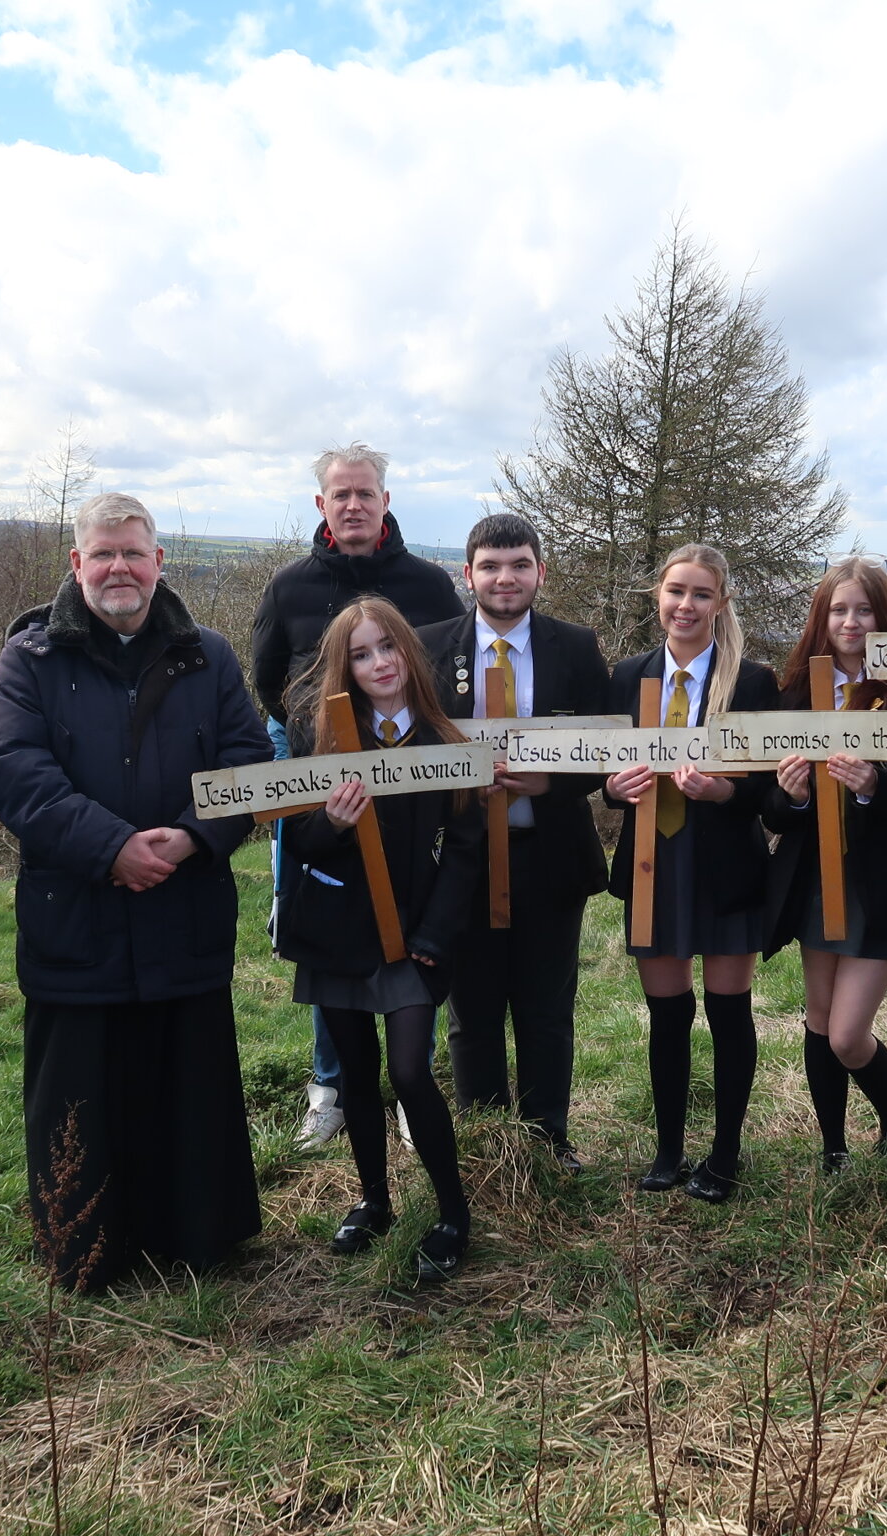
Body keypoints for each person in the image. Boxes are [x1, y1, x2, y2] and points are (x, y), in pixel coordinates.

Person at [0, 493, 272, 1293]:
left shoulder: (206, 654)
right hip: (76, 916)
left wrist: (190, 836)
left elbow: (247, 761)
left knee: (188, 1080)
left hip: (184, 910)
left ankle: (199, 1239)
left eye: (133, 553)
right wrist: (111, 849)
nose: (119, 568)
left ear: (159, 563)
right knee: (81, 1088)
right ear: (76, 564)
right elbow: (17, 775)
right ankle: (85, 1250)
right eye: (102, 554)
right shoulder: (31, 659)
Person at [250, 443, 464, 1148]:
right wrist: (313, 750)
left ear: (385, 500)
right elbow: (268, 677)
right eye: (340, 494)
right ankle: (332, 1086)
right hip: (320, 759)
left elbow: (447, 668)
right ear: (322, 505)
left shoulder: (429, 584)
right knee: (324, 910)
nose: (353, 504)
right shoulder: (289, 587)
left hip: (410, 756)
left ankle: (411, 1086)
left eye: (365, 493)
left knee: (406, 906)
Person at [277, 597, 485, 1282]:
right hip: (335, 932)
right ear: (347, 666)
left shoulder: (442, 741)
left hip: (414, 938)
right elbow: (298, 841)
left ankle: (453, 1214)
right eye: (362, 654)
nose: (378, 664)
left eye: (387, 648)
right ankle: (375, 1201)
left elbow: (463, 848)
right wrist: (331, 823)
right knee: (357, 1077)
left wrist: (435, 932)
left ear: (408, 654)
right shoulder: (324, 739)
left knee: (409, 1072)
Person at [415, 512, 611, 1173]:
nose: (505, 578)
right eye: (491, 566)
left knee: (545, 1009)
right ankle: (484, 1143)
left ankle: (548, 1140)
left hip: (550, 858)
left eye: (519, 565)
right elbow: (411, 750)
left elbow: (606, 747)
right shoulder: (428, 646)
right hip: (461, 863)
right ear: (467, 574)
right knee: (472, 1012)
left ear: (539, 573)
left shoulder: (575, 647)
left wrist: (551, 778)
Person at [602, 544, 780, 1204]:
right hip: (653, 865)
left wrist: (724, 793)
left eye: (701, 594)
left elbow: (770, 796)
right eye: (676, 591)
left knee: (728, 1013)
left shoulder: (753, 683)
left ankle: (727, 1152)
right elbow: (607, 773)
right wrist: (615, 790)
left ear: (721, 603)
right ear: (658, 596)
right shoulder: (627, 676)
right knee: (668, 1014)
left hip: (727, 864)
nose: (686, 605)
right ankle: (669, 1150)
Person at [763, 558, 887, 1173]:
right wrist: (790, 796)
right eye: (839, 609)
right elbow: (769, 805)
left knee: (847, 1033)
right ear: (822, 618)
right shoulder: (792, 692)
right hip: (817, 876)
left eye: (863, 609)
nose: (850, 621)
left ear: (885, 618)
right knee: (819, 1021)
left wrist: (874, 785)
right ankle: (833, 1148)